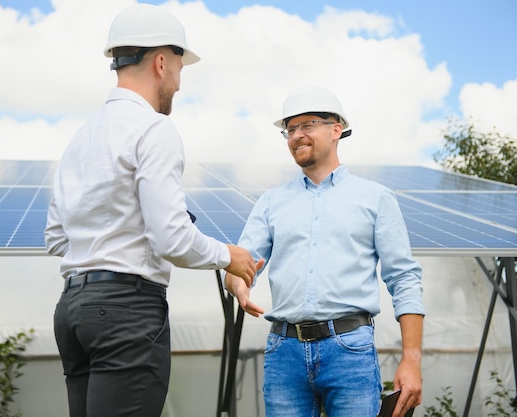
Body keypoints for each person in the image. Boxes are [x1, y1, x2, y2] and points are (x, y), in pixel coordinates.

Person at [44, 4, 262, 417]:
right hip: (126, 313)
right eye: (180, 68)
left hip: (72, 311)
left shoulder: (81, 137)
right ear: (161, 63)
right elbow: (171, 238)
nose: (179, 83)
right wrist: (228, 256)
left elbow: (56, 237)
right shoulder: (154, 129)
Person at [224, 86, 425, 417]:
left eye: (308, 125)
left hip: (349, 350)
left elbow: (404, 279)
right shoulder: (272, 202)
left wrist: (412, 358)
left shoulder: (375, 198)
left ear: (336, 130)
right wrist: (239, 284)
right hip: (283, 352)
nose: (296, 135)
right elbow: (241, 266)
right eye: (290, 129)